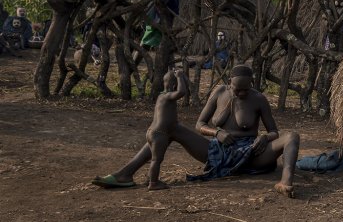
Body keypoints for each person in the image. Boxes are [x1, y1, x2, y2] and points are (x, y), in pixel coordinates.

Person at [92, 64, 300, 197]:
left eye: (247, 88)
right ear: (229, 83)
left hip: (252, 154)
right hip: (218, 152)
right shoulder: (219, 93)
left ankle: (285, 182)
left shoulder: (258, 99)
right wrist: (217, 133)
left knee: (292, 136)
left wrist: (264, 137)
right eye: (238, 89)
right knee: (167, 128)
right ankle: (125, 174)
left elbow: (274, 131)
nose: (243, 92)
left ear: (252, 84)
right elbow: (199, 124)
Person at [92, 69, 189, 190]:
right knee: (156, 159)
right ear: (175, 85)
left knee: (155, 158)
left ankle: (145, 178)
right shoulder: (169, 96)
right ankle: (153, 183)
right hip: (160, 133)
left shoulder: (161, 96)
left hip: (152, 132)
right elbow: (182, 92)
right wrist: (180, 76)